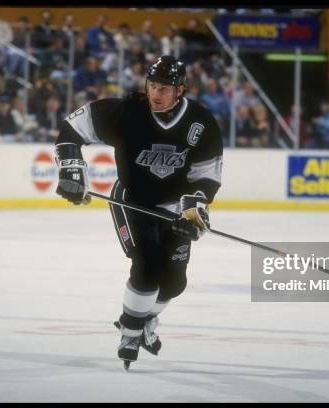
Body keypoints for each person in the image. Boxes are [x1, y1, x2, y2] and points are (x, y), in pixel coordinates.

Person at [54, 56, 223, 369]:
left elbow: (207, 173)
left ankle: (142, 320)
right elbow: (72, 128)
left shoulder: (200, 122)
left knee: (174, 283)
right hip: (132, 200)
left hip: (175, 207)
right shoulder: (127, 112)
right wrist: (71, 167)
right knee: (147, 265)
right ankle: (131, 331)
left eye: (165, 88)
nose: (156, 93)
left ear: (181, 91)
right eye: (153, 85)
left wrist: (197, 205)